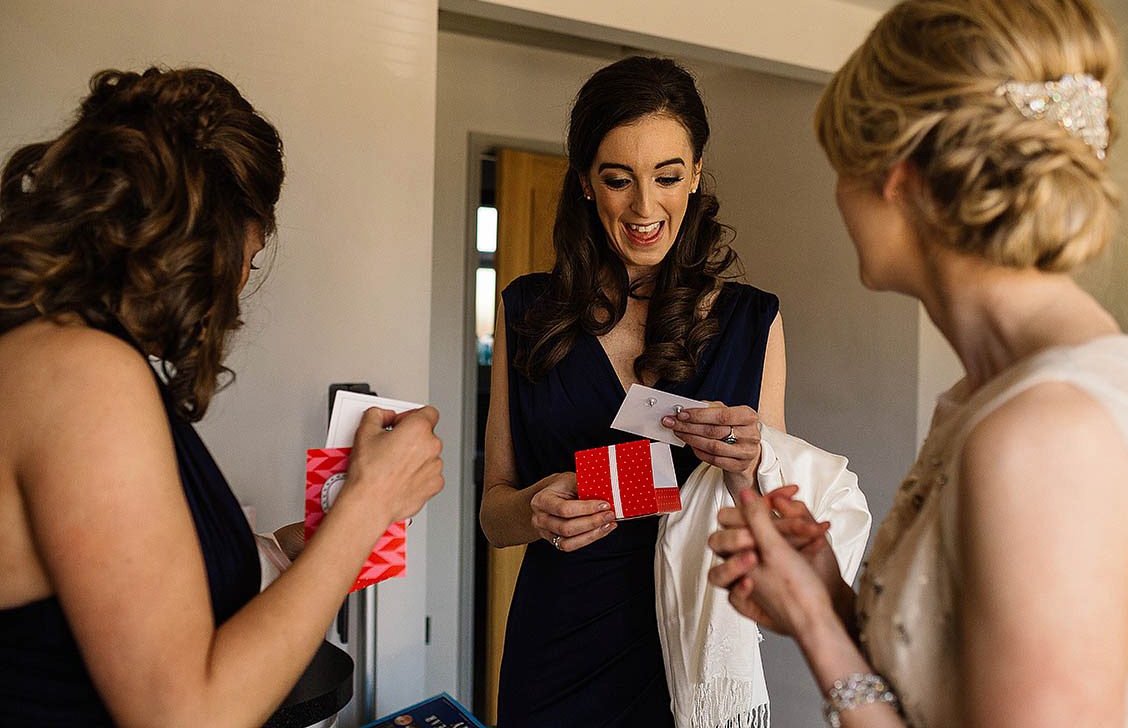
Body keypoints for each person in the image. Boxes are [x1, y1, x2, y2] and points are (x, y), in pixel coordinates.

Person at [708, 0, 1128, 728]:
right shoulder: (1008, 401)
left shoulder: (1049, 440)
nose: (837, 197)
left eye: (840, 164)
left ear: (896, 178)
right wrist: (831, 597)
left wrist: (812, 627)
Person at [0, 67, 445, 726]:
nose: (240, 283)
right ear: (206, 239)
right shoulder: (84, 373)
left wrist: (299, 542)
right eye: (249, 254)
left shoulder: (52, 346)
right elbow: (186, 714)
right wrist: (368, 502)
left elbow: (137, 580)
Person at [479, 56, 870, 727]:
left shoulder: (753, 321)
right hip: (557, 653)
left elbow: (763, 521)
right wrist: (536, 510)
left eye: (666, 176)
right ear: (584, 184)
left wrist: (751, 459)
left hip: (690, 653)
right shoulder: (525, 312)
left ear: (694, 175)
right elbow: (493, 513)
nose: (643, 208)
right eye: (617, 180)